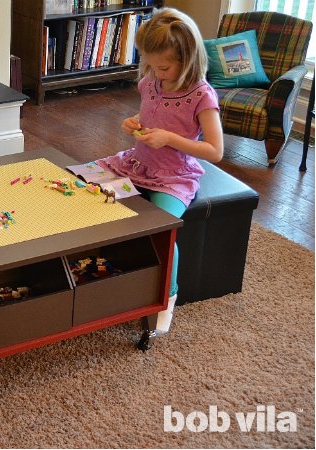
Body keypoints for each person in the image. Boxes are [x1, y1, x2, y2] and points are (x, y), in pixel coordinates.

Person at [96, 8, 223, 334]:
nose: (156, 73)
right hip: (137, 164)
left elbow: (215, 151)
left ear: (188, 59)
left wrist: (170, 139)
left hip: (172, 176)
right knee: (87, 190)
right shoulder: (150, 83)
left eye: (164, 67)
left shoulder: (201, 96)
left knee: (162, 230)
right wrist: (133, 124)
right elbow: (150, 119)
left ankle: (169, 296)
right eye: (151, 65)